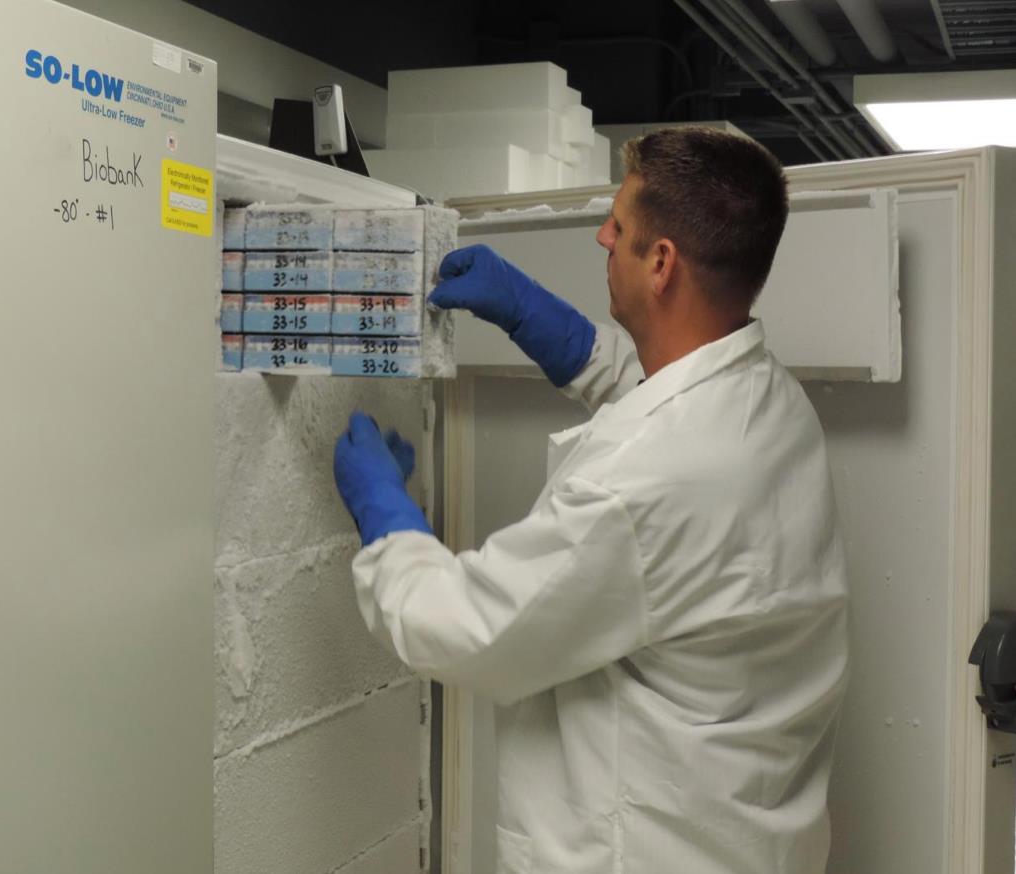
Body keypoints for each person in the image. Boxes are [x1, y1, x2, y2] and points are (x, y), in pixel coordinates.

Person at [333, 127, 849, 874]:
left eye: (620, 226)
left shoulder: (646, 484)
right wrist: (558, 333)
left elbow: (469, 630)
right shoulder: (770, 405)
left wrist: (385, 516)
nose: (603, 237)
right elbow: (664, 406)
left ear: (662, 263)